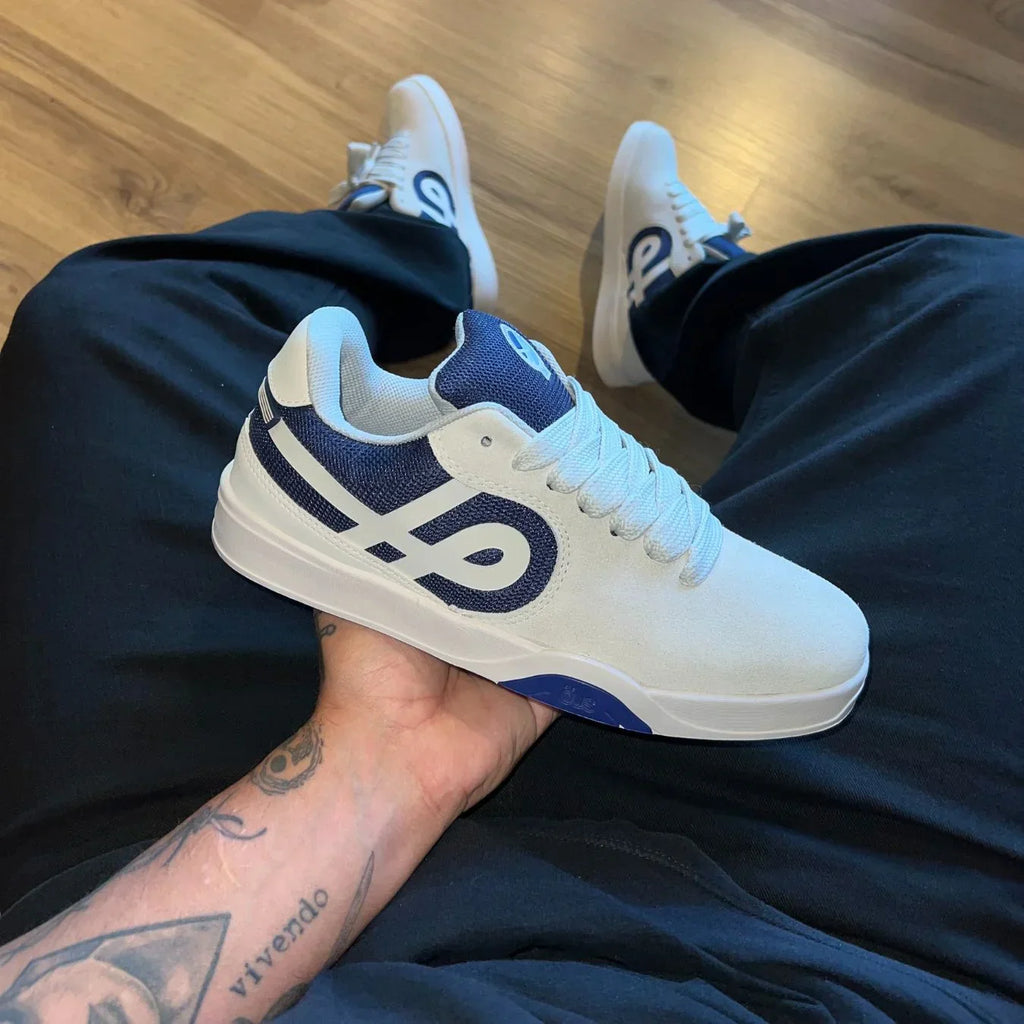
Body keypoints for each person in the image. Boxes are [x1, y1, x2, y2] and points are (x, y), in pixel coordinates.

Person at [0, 73, 1019, 1023]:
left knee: (109, 314)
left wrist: (369, 767)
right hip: (856, 946)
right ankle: (680, 290)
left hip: (229, 894)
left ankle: (416, 240)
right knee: (984, 299)